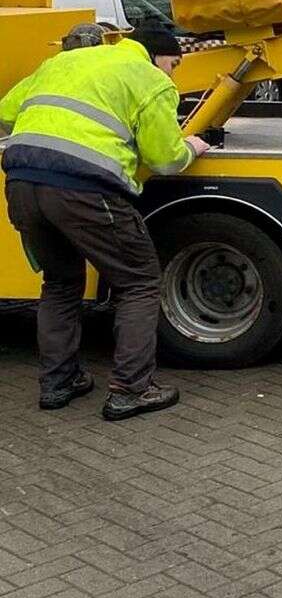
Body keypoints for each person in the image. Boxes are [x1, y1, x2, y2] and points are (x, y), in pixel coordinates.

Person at [0, 23, 210, 421]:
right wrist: (193, 147)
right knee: (140, 282)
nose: (174, 74)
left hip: (22, 182)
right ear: (157, 56)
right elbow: (165, 158)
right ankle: (131, 390)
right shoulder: (149, 78)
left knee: (60, 283)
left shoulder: (64, 61)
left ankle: (58, 383)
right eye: (175, 64)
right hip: (83, 191)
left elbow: (6, 113)